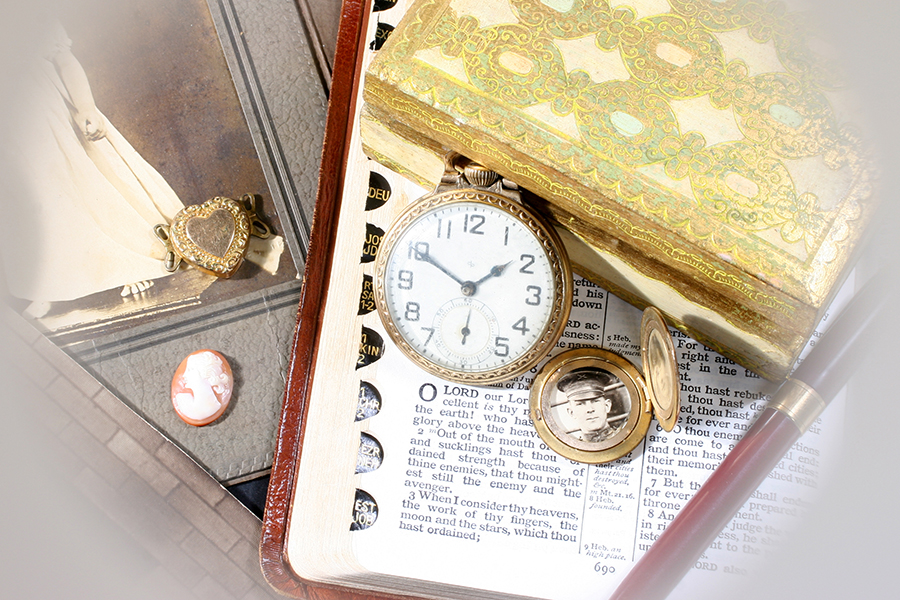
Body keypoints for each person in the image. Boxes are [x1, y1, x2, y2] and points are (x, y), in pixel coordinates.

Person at [2, 20, 185, 315]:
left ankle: (126, 260)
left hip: (45, 114)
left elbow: (64, 59)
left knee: (81, 185)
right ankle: (45, 285)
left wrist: (86, 107)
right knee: (25, 205)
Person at [557, 368, 625, 443]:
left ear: (607, 406)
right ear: (571, 412)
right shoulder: (573, 447)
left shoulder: (624, 437)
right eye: (580, 404)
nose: (590, 409)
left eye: (595, 401)